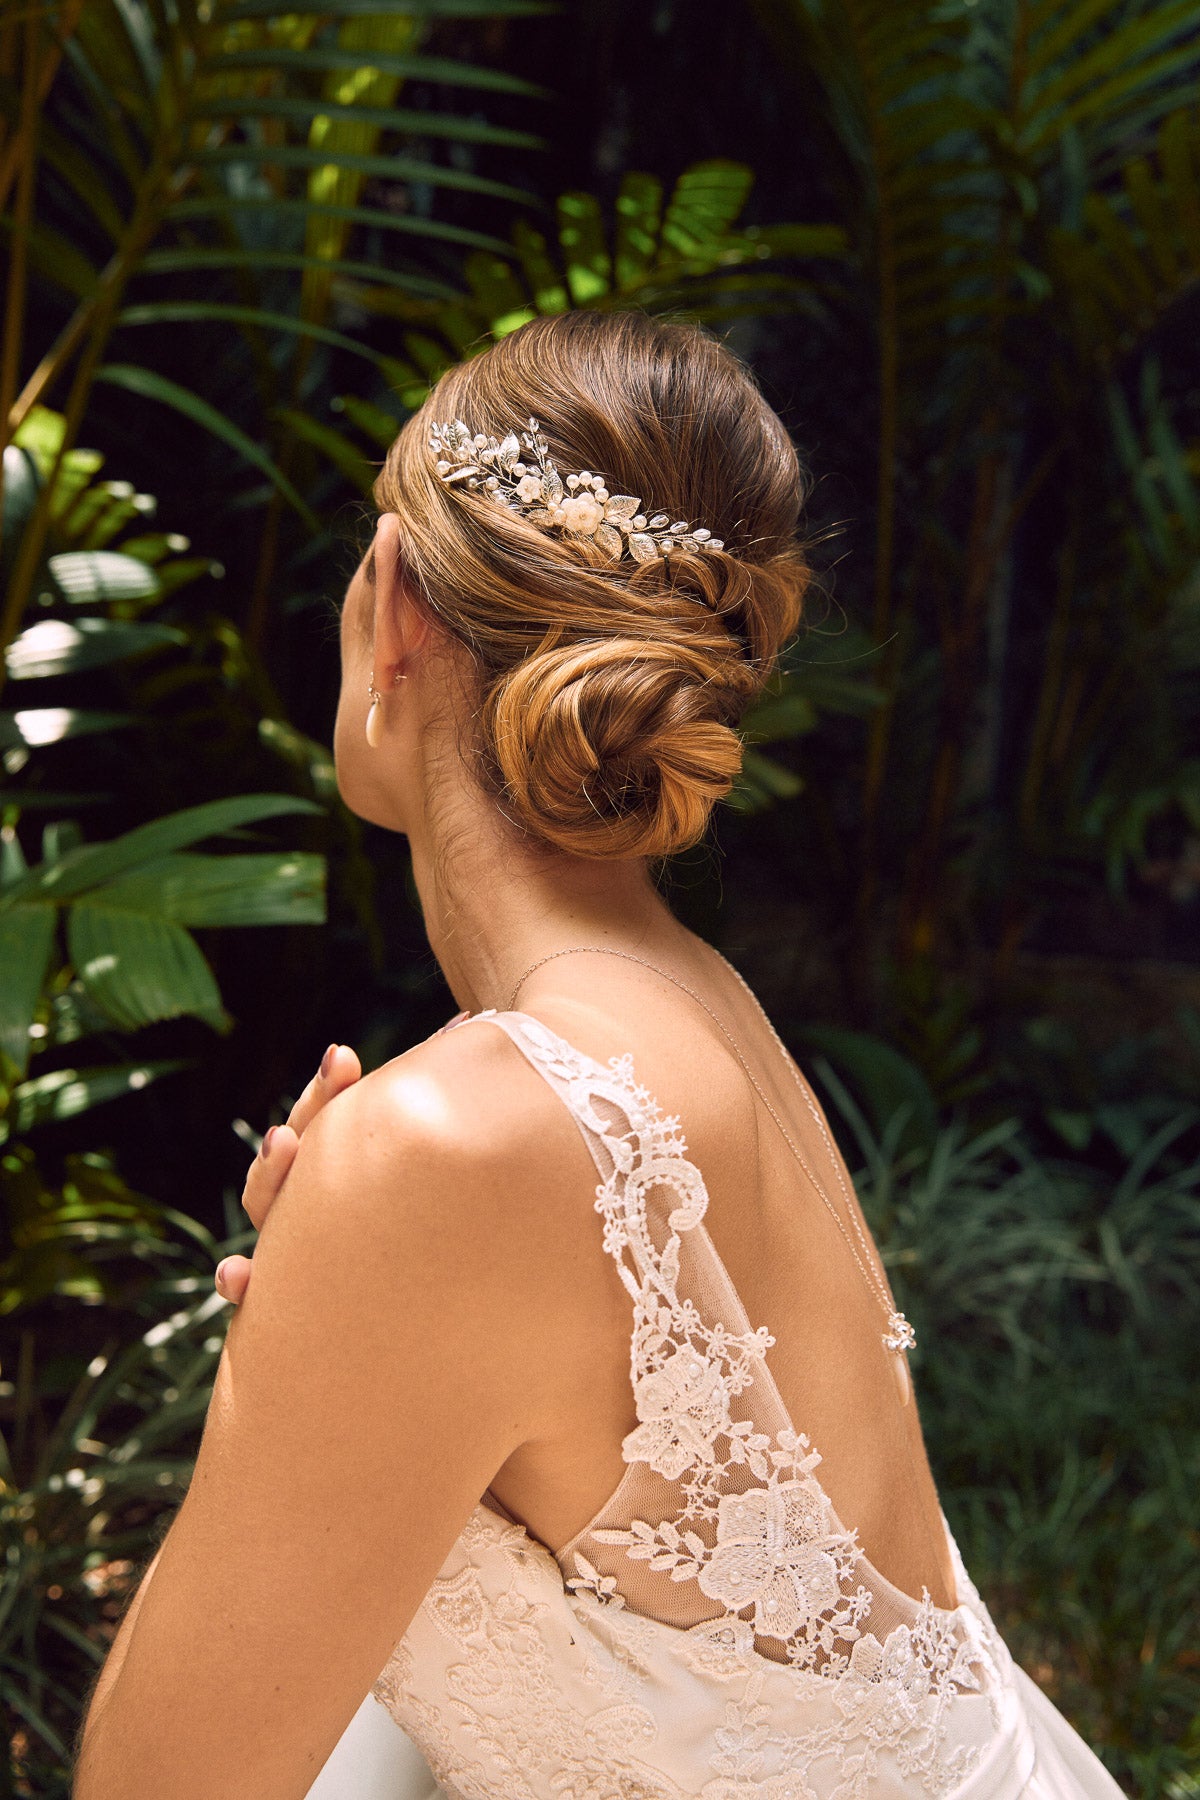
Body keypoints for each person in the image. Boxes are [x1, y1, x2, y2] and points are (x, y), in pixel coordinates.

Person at [73, 311, 1125, 1799]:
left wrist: (289, 1351)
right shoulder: (700, 1007)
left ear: (399, 606)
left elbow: (150, 1782)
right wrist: (331, 1336)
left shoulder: (458, 1142)